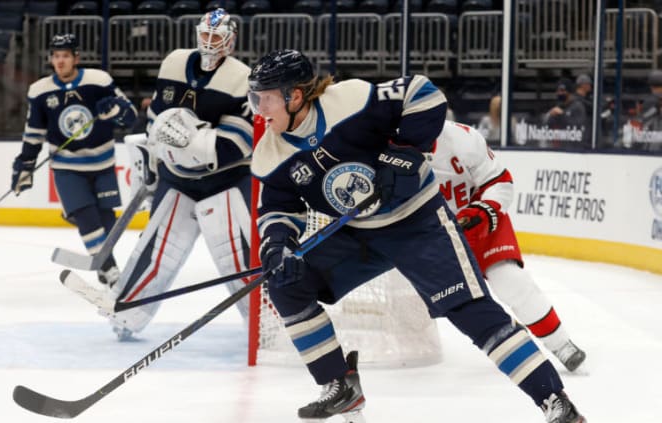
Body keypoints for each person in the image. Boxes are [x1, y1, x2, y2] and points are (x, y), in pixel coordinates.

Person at [247, 49, 585, 423]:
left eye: (264, 97)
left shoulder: (352, 98)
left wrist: (405, 152)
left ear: (295, 96)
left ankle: (555, 400)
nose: (257, 107)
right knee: (285, 284)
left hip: (416, 222)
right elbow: (278, 210)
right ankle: (339, 385)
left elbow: (422, 93)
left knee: (472, 312)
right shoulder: (270, 154)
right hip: (355, 234)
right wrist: (278, 246)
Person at [105, 8, 254, 340]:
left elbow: (239, 144)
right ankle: (127, 314)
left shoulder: (242, 77)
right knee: (157, 250)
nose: (210, 42)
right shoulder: (173, 62)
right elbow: (157, 117)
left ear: (230, 41)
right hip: (177, 178)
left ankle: (265, 322)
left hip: (225, 182)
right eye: (206, 34)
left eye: (217, 37)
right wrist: (157, 156)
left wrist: (192, 140)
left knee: (239, 259)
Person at [431, 120, 587, 372]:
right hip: (430, 236)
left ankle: (560, 344)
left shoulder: (463, 139)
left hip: (478, 223)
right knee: (461, 305)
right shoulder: (387, 146)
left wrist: (483, 209)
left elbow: (499, 182)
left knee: (511, 281)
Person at [11, 33, 137, 287]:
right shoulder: (40, 91)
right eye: (56, 56)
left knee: (107, 221)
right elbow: (34, 132)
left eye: (66, 56)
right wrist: (26, 162)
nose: (60, 61)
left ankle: (98, 252)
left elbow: (130, 115)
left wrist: (116, 111)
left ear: (76, 58)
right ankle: (110, 270)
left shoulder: (98, 81)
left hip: (102, 163)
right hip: (67, 166)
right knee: (86, 215)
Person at [543, 77, 591, 148]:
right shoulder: (559, 106)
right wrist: (551, 115)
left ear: (569, 92)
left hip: (575, 149)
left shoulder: (578, 106)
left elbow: (577, 128)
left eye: (562, 91)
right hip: (560, 147)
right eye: (558, 91)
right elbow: (547, 125)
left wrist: (562, 115)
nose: (559, 93)